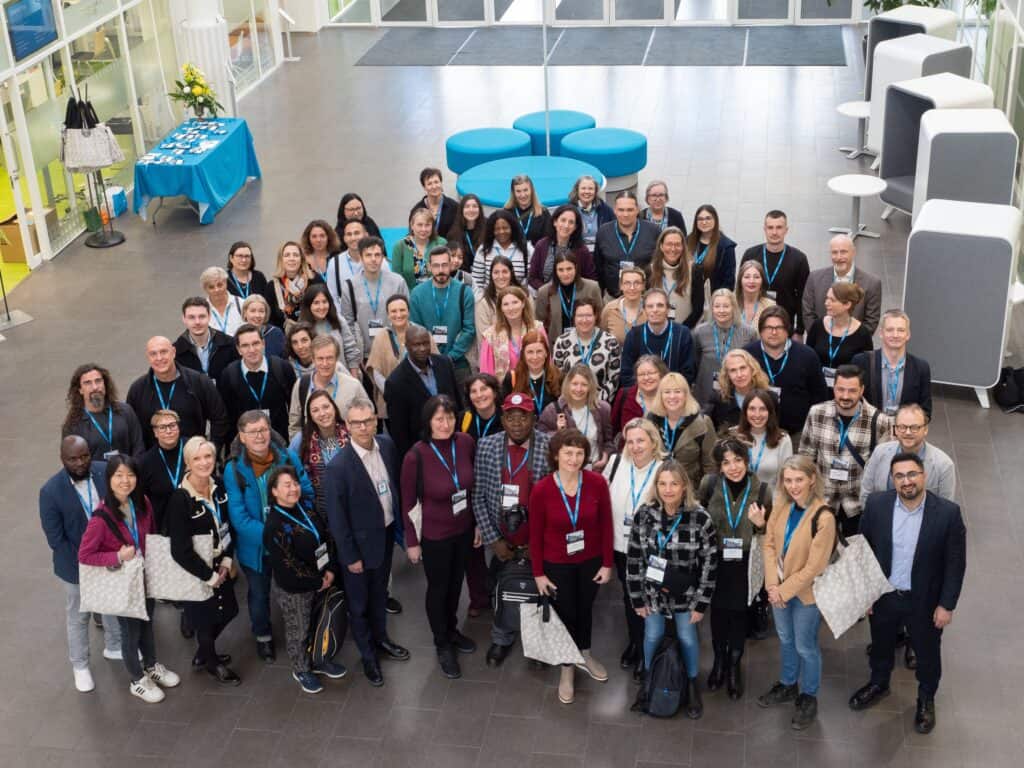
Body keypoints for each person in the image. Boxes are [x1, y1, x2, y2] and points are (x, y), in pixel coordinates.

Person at [849, 452, 966, 735]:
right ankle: (879, 683)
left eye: (912, 474)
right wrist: (866, 594)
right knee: (880, 644)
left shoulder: (948, 513)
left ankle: (926, 698)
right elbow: (862, 551)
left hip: (924, 602)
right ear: (893, 479)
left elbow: (955, 564)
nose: (906, 481)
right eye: (899, 476)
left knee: (927, 655)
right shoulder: (877, 505)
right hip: (885, 596)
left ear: (924, 475)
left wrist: (946, 605)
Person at [78, 455, 180, 703]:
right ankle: (137, 679)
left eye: (130, 475)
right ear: (109, 479)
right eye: (119, 475)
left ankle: (152, 665)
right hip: (125, 583)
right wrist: (117, 556)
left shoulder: (141, 502)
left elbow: (151, 533)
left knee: (147, 624)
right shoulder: (101, 518)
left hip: (145, 578)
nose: (125, 481)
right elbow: (85, 554)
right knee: (130, 632)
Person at [325, 397, 409, 687]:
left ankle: (382, 638)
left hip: (384, 535)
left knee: (379, 595)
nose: (363, 427)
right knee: (359, 604)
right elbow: (337, 519)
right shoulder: (338, 467)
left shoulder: (387, 446)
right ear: (347, 426)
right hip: (357, 549)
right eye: (356, 423)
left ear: (376, 421)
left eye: (368, 421)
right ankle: (368, 655)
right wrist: (350, 557)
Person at [627, 459, 718, 719]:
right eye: (663, 484)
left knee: (688, 637)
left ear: (684, 487)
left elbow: (710, 565)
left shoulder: (701, 519)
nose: (668, 490)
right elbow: (634, 560)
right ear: (656, 486)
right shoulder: (644, 514)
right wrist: (637, 598)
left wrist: (701, 604)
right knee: (652, 634)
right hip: (652, 594)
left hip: (686, 596)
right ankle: (648, 680)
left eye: (674, 484)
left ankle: (691, 685)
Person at [529, 428, 614, 705]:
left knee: (585, 609)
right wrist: (538, 573)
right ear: (556, 455)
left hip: (590, 561)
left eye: (579, 453)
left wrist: (607, 563)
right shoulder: (542, 489)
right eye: (568, 453)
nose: (574, 459)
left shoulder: (597, 483)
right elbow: (535, 534)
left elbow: (606, 525)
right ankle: (567, 668)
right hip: (557, 564)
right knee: (566, 613)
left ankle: (585, 654)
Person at [224, 410, 314, 662]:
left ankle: (303, 632)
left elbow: (305, 491)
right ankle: (263, 636)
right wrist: (273, 537)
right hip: (257, 548)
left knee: (296, 589)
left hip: (290, 541)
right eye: (252, 432)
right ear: (242, 437)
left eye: (263, 429)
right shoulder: (234, 470)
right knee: (259, 594)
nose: (259, 436)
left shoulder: (287, 457)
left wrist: (291, 533)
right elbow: (239, 519)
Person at [753, 455, 836, 730]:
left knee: (805, 646)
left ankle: (808, 696)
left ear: (812, 479)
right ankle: (788, 684)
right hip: (778, 589)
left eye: (799, 479)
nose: (793, 486)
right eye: (788, 480)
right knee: (786, 639)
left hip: (805, 595)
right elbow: (769, 545)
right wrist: (771, 586)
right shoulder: (780, 505)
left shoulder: (824, 517)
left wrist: (782, 591)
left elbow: (815, 567)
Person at [401, 395, 480, 679]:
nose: (445, 424)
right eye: (438, 419)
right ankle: (442, 642)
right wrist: (412, 541)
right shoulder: (416, 456)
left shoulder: (466, 443)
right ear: (428, 422)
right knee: (438, 589)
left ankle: (452, 629)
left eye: (449, 417)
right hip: (435, 536)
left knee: (456, 584)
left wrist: (478, 525)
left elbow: (473, 488)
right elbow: (408, 501)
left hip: (464, 530)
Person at [473, 392, 552, 665]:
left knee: (540, 591)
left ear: (534, 418)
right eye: (510, 416)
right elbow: (478, 496)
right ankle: (501, 637)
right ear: (502, 419)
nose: (517, 423)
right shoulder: (486, 446)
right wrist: (493, 539)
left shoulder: (550, 446)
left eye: (523, 416)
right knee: (500, 588)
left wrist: (539, 543)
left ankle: (537, 642)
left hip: (536, 540)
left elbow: (557, 501)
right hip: (500, 539)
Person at [39, 436, 122, 693]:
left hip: (108, 556)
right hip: (75, 566)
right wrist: (88, 563)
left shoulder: (103, 471)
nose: (80, 462)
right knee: (79, 615)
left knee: (110, 603)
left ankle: (115, 646)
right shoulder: (50, 492)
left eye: (84, 455)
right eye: (73, 458)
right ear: (63, 459)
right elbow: (56, 539)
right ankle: (80, 665)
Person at [697, 438, 772, 701]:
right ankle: (719, 661)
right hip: (716, 560)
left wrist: (761, 525)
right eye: (726, 462)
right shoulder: (709, 485)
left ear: (747, 460)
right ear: (719, 466)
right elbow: (697, 520)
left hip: (746, 562)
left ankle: (733, 666)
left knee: (740, 615)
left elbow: (769, 536)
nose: (733, 467)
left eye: (738, 460)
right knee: (717, 614)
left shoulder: (763, 490)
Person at [165, 436, 241, 685]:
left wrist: (228, 560)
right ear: (187, 462)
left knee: (229, 610)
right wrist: (208, 576)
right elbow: (179, 549)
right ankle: (212, 663)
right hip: (196, 570)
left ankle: (202, 653)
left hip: (221, 563)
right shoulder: (179, 500)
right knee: (205, 620)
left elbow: (229, 525)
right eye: (197, 458)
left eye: (208, 456)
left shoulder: (218, 486)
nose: (204, 462)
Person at [263, 465, 343, 693]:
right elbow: (288, 566)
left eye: (295, 483)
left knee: (319, 623)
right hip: (296, 589)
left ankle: (320, 659)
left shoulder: (307, 506)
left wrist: (330, 569)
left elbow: (325, 536)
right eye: (286, 485)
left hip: (322, 577)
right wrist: (317, 581)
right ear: (275, 492)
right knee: (299, 629)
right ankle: (301, 669)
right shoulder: (274, 525)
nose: (293, 489)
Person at [798, 364, 893, 536]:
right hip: (822, 501)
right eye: (840, 389)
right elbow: (805, 458)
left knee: (854, 557)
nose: (845, 396)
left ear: (862, 390)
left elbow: (883, 471)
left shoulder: (880, 422)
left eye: (852, 390)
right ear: (833, 388)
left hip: (857, 505)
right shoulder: (816, 413)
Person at [602, 418, 664, 681]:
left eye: (642, 440)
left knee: (652, 598)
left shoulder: (664, 469)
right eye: (631, 441)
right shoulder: (616, 464)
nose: (636, 446)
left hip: (653, 551)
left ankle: (651, 649)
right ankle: (636, 642)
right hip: (621, 546)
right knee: (630, 597)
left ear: (653, 442)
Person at [127, 336, 229, 451]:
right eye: (153, 354)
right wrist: (142, 459)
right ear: (148, 357)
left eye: (164, 352)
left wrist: (211, 451)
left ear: (174, 352)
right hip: (155, 461)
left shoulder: (198, 382)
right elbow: (132, 430)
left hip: (194, 458)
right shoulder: (138, 390)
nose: (159, 358)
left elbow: (219, 418)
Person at [742, 307, 829, 439]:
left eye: (779, 327)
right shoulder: (747, 355)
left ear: (788, 330)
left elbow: (820, 397)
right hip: (755, 432)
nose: (774, 332)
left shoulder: (807, 355)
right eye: (768, 327)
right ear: (760, 330)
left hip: (796, 433)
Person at [384, 324, 464, 457]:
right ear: (406, 345)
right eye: (416, 345)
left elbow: (458, 402)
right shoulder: (396, 382)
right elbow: (399, 431)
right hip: (423, 449)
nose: (422, 349)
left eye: (425, 343)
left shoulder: (444, 364)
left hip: (452, 440)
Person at [860, 403, 955, 508]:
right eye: (902, 427)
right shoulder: (880, 452)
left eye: (914, 427)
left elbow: (945, 508)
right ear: (895, 429)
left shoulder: (944, 465)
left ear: (925, 429)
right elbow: (866, 493)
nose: (908, 432)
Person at [217, 324, 297, 445]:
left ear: (263, 344)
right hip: (246, 445)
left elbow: (294, 408)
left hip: (280, 442)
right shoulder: (229, 375)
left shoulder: (282, 368)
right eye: (245, 345)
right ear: (238, 349)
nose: (252, 350)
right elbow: (228, 417)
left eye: (255, 343)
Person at [409, 245, 476, 387]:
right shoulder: (417, 294)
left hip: (458, 362)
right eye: (436, 266)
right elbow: (416, 330)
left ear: (451, 264)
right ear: (429, 267)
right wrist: (433, 357)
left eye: (445, 265)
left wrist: (450, 357)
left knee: (464, 406)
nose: (441, 270)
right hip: (427, 363)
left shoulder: (465, 292)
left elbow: (469, 330)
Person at [338, 235, 408, 362]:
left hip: (395, 353)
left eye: (377, 255)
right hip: (364, 355)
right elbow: (347, 324)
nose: (373, 259)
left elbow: (407, 318)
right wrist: (356, 357)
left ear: (383, 258)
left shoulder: (397, 282)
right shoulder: (350, 286)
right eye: (368, 255)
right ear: (360, 257)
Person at [739, 211, 809, 338]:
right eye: (770, 227)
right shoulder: (750, 254)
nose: (774, 232)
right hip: (752, 323)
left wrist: (799, 330)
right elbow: (740, 288)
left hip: (783, 324)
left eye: (779, 227)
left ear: (786, 230)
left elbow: (802, 298)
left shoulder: (799, 259)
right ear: (764, 229)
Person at [852, 309, 933, 418]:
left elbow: (925, 410)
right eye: (890, 330)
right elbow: (853, 400)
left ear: (908, 334)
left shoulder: (921, 368)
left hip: (904, 432)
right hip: (869, 429)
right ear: (881, 333)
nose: (895, 335)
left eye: (901, 330)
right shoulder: (861, 362)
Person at [366, 294, 435, 419]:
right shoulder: (381, 336)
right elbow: (376, 371)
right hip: (392, 402)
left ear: (408, 311)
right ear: (388, 314)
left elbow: (434, 365)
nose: (398, 315)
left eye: (402, 310)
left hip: (423, 401)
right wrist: (393, 393)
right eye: (393, 311)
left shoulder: (422, 333)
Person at [288, 335, 367, 439]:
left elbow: (367, 419)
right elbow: (295, 425)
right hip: (313, 452)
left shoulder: (354, 386)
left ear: (337, 358)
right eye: (320, 359)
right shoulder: (301, 385)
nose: (325, 364)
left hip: (347, 450)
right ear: (313, 359)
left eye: (329, 358)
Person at [538, 364, 614, 470]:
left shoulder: (603, 409)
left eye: (584, 384)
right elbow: (540, 440)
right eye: (575, 384)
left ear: (590, 387)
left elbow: (608, 441)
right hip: (566, 470)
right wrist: (558, 432)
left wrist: (605, 458)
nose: (579, 389)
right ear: (567, 384)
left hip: (595, 469)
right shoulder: (553, 410)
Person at [802, 234, 883, 334]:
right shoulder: (814, 278)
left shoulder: (872, 283)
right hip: (820, 345)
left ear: (853, 252)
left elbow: (871, 322)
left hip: (854, 346)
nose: (839, 257)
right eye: (834, 252)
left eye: (843, 252)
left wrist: (849, 342)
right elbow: (808, 314)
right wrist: (820, 338)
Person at [62, 364, 144, 460]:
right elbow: (72, 461)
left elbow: (138, 447)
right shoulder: (73, 425)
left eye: (98, 381)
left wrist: (131, 471)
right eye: (88, 383)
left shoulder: (125, 411)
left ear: (105, 384)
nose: (95, 387)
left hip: (128, 473)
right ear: (80, 390)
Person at [646, 373, 716, 487]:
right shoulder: (650, 421)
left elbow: (711, 466)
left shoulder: (703, 423)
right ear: (660, 396)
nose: (672, 396)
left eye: (677, 391)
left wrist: (702, 495)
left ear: (686, 395)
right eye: (667, 392)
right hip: (657, 488)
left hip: (690, 490)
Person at [692, 290, 757, 407]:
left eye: (726, 306)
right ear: (712, 308)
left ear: (734, 308)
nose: (721, 310)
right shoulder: (700, 332)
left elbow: (753, 364)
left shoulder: (749, 333)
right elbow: (695, 362)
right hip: (705, 391)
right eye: (717, 306)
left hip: (737, 391)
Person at [619, 288, 696, 388]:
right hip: (642, 396)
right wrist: (647, 391)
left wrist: (668, 391)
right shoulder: (634, 335)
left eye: (660, 305)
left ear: (668, 309)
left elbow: (688, 372)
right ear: (644, 310)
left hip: (673, 395)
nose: (655, 310)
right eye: (650, 306)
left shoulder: (683, 334)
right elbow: (626, 374)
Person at [292, 389, 349, 519]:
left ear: (334, 408)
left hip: (353, 503)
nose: (322, 413)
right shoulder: (301, 440)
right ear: (310, 415)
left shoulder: (351, 433)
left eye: (326, 407)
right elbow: (289, 471)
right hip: (319, 510)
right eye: (315, 410)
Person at [552, 297, 621, 402]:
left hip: (599, 404)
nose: (584, 320)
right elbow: (558, 377)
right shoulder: (562, 342)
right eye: (580, 316)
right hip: (570, 403)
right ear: (574, 317)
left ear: (595, 316)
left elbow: (614, 378)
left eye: (589, 315)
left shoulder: (610, 342)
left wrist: (597, 400)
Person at [805, 282, 873, 385]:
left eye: (832, 300)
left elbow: (865, 369)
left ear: (847, 304)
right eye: (827, 298)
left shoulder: (862, 333)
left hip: (846, 391)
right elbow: (808, 358)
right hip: (817, 387)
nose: (826, 303)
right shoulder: (818, 325)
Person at [593, 191, 660, 297]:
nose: (625, 214)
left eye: (630, 210)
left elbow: (659, 264)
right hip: (612, 297)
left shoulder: (653, 231)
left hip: (645, 297)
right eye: (621, 210)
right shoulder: (603, 232)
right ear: (614, 210)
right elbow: (598, 265)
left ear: (637, 210)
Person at [731, 389, 793, 489]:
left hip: (770, 501)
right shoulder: (733, 435)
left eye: (763, 409)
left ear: (770, 412)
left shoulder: (783, 439)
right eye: (752, 409)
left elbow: (786, 480)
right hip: (738, 500)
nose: (757, 414)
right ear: (745, 411)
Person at [480, 286, 545, 381]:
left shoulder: (537, 328)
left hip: (534, 386)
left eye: (515, 302)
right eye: (505, 304)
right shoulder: (490, 335)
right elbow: (486, 373)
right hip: (504, 391)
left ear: (523, 303)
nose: (511, 308)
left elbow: (547, 361)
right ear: (501, 308)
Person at [298, 283, 363, 375]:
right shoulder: (302, 328)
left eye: (324, 302)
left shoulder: (338, 320)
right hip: (318, 382)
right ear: (308, 305)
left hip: (343, 377)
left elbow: (351, 350)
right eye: (316, 303)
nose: (321, 307)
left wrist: (354, 379)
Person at [137, 410, 186, 534]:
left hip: (193, 519)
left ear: (178, 427)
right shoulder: (145, 462)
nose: (168, 431)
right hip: (162, 527)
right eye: (162, 427)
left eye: (172, 425)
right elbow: (141, 500)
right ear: (155, 432)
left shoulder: (192, 449)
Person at [528, 204, 597, 289]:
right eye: (563, 220)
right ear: (555, 222)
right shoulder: (541, 245)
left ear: (575, 227)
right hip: (547, 296)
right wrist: (548, 291)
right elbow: (532, 278)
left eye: (571, 222)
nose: (566, 225)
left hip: (574, 298)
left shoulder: (582, 250)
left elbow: (591, 279)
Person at [535, 253, 602, 340]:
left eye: (569, 269)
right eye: (560, 270)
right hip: (556, 344)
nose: (565, 274)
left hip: (587, 341)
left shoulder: (592, 287)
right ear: (555, 271)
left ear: (576, 268)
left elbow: (599, 318)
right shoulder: (544, 292)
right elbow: (539, 323)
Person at [172, 297, 240, 384]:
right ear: (184, 319)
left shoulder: (230, 344)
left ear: (209, 316)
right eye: (191, 317)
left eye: (202, 316)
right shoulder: (176, 351)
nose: (197, 322)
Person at [649, 226, 704, 328]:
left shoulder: (694, 270)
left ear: (683, 247)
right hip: (656, 330)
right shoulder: (650, 270)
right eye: (669, 244)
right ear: (661, 246)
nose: (673, 249)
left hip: (685, 331)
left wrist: (682, 330)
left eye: (677, 244)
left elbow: (698, 308)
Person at [707, 349, 771, 432]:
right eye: (733, 370)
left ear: (752, 369)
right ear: (727, 375)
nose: (739, 375)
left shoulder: (770, 397)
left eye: (743, 368)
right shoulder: (718, 399)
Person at [472, 209, 532, 293]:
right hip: (490, 301)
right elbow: (477, 282)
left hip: (517, 301)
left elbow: (530, 280)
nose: (501, 232)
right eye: (497, 229)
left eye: (505, 228)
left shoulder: (526, 249)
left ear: (512, 228)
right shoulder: (484, 250)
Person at [475, 256, 529, 347]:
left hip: (525, 351)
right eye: (496, 272)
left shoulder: (525, 296)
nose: (501, 276)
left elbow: (531, 324)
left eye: (505, 272)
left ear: (511, 273)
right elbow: (483, 339)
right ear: (491, 275)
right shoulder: (483, 303)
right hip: (496, 354)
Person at [506, 330, 562, 417]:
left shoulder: (558, 376)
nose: (535, 357)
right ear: (523, 355)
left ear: (546, 353)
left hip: (551, 429)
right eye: (530, 352)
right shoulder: (512, 378)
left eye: (539, 351)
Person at [269, 241, 322, 329]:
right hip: (285, 339)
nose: (291, 258)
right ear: (281, 260)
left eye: (295, 255)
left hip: (315, 334)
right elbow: (270, 321)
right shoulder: (272, 287)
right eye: (287, 255)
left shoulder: (314, 280)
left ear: (301, 259)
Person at [611, 354, 667, 436]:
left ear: (661, 375)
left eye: (651, 373)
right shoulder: (624, 395)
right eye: (641, 374)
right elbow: (613, 428)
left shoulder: (670, 397)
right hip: (630, 447)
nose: (646, 378)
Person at [686, 204, 736, 296]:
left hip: (712, 299)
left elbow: (729, 282)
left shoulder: (726, 247)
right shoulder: (688, 241)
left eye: (708, 218)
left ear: (715, 220)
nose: (704, 222)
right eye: (700, 219)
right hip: (688, 296)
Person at [392, 207, 446, 291]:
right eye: (419, 225)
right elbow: (396, 280)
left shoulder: (441, 243)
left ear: (432, 226)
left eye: (427, 225)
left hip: (437, 295)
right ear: (412, 225)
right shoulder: (400, 247)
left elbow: (447, 272)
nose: (423, 229)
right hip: (410, 298)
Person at [600, 266, 647, 346]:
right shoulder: (610, 309)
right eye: (627, 283)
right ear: (621, 286)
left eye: (637, 283)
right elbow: (602, 338)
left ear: (643, 286)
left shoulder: (650, 309)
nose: (632, 288)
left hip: (644, 357)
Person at [326, 219, 369, 306]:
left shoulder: (380, 262)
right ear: (344, 238)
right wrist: (342, 319)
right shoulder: (334, 263)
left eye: (357, 233)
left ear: (366, 235)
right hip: (344, 317)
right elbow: (332, 297)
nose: (353, 238)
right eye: (349, 234)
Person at [410, 166, 459, 239]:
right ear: (424, 187)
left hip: (448, 248)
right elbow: (412, 235)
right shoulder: (416, 210)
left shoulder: (454, 207)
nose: (434, 186)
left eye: (436, 182)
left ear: (441, 183)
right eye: (429, 184)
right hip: (425, 249)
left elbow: (459, 234)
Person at [569, 174, 614, 250]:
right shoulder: (569, 210)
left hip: (600, 253)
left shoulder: (605, 210)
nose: (587, 192)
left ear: (595, 191)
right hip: (577, 253)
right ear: (577, 190)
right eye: (583, 188)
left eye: (590, 189)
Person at [225, 241, 271, 315]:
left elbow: (266, 303)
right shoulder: (224, 279)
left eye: (247, 256)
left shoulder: (259, 277)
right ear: (231, 258)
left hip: (258, 320)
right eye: (240, 256)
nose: (244, 260)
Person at [505, 173, 552, 246]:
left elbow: (548, 241)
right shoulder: (506, 213)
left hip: (536, 256)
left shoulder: (543, 213)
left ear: (531, 190)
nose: (523, 195)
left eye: (525, 190)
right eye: (518, 191)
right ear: (513, 193)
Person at [201, 266, 245, 337]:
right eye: (211, 287)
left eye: (220, 285)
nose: (216, 290)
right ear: (205, 289)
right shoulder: (201, 310)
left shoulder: (241, 304)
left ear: (226, 283)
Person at [446, 193, 486, 272]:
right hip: (463, 276)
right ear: (462, 210)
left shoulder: (488, 228)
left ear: (479, 209)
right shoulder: (453, 233)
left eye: (474, 206)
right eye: (467, 206)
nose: (471, 210)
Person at [459, 373, 503, 441]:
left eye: (483, 389)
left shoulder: (506, 418)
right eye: (473, 391)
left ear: (495, 392)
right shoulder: (463, 418)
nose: (479, 395)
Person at [242, 294, 287, 360]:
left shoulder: (276, 333)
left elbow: (284, 361)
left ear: (266, 314)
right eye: (253, 311)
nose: (257, 315)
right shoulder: (240, 336)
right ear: (245, 313)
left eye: (261, 311)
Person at [735, 260, 776, 331]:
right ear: (740, 280)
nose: (751, 281)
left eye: (756, 277)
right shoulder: (730, 302)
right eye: (747, 277)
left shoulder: (770, 305)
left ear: (762, 280)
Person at [301, 219, 342, 287]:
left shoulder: (338, 258)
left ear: (329, 237)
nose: (318, 240)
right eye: (314, 236)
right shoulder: (303, 261)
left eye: (322, 236)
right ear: (308, 239)